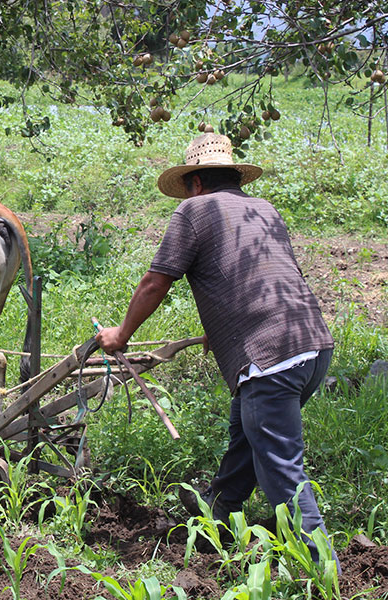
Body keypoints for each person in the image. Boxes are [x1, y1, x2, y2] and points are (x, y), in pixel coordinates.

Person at [95, 133, 337, 565]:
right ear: (232, 178)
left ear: (196, 183)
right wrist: (223, 328)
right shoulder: (264, 209)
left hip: (271, 359)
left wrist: (121, 335)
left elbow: (156, 282)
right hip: (313, 348)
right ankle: (218, 517)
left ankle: (323, 571)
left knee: (281, 470)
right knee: (247, 437)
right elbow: (266, 272)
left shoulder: (193, 210)